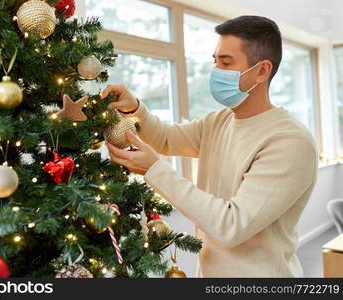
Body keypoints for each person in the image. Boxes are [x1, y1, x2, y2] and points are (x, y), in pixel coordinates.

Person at [101, 15, 318, 277]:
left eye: (226, 63)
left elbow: (232, 225)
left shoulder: (289, 141)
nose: (215, 71)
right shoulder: (221, 120)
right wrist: (135, 108)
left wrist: (155, 170)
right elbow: (168, 139)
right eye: (215, 61)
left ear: (261, 71)